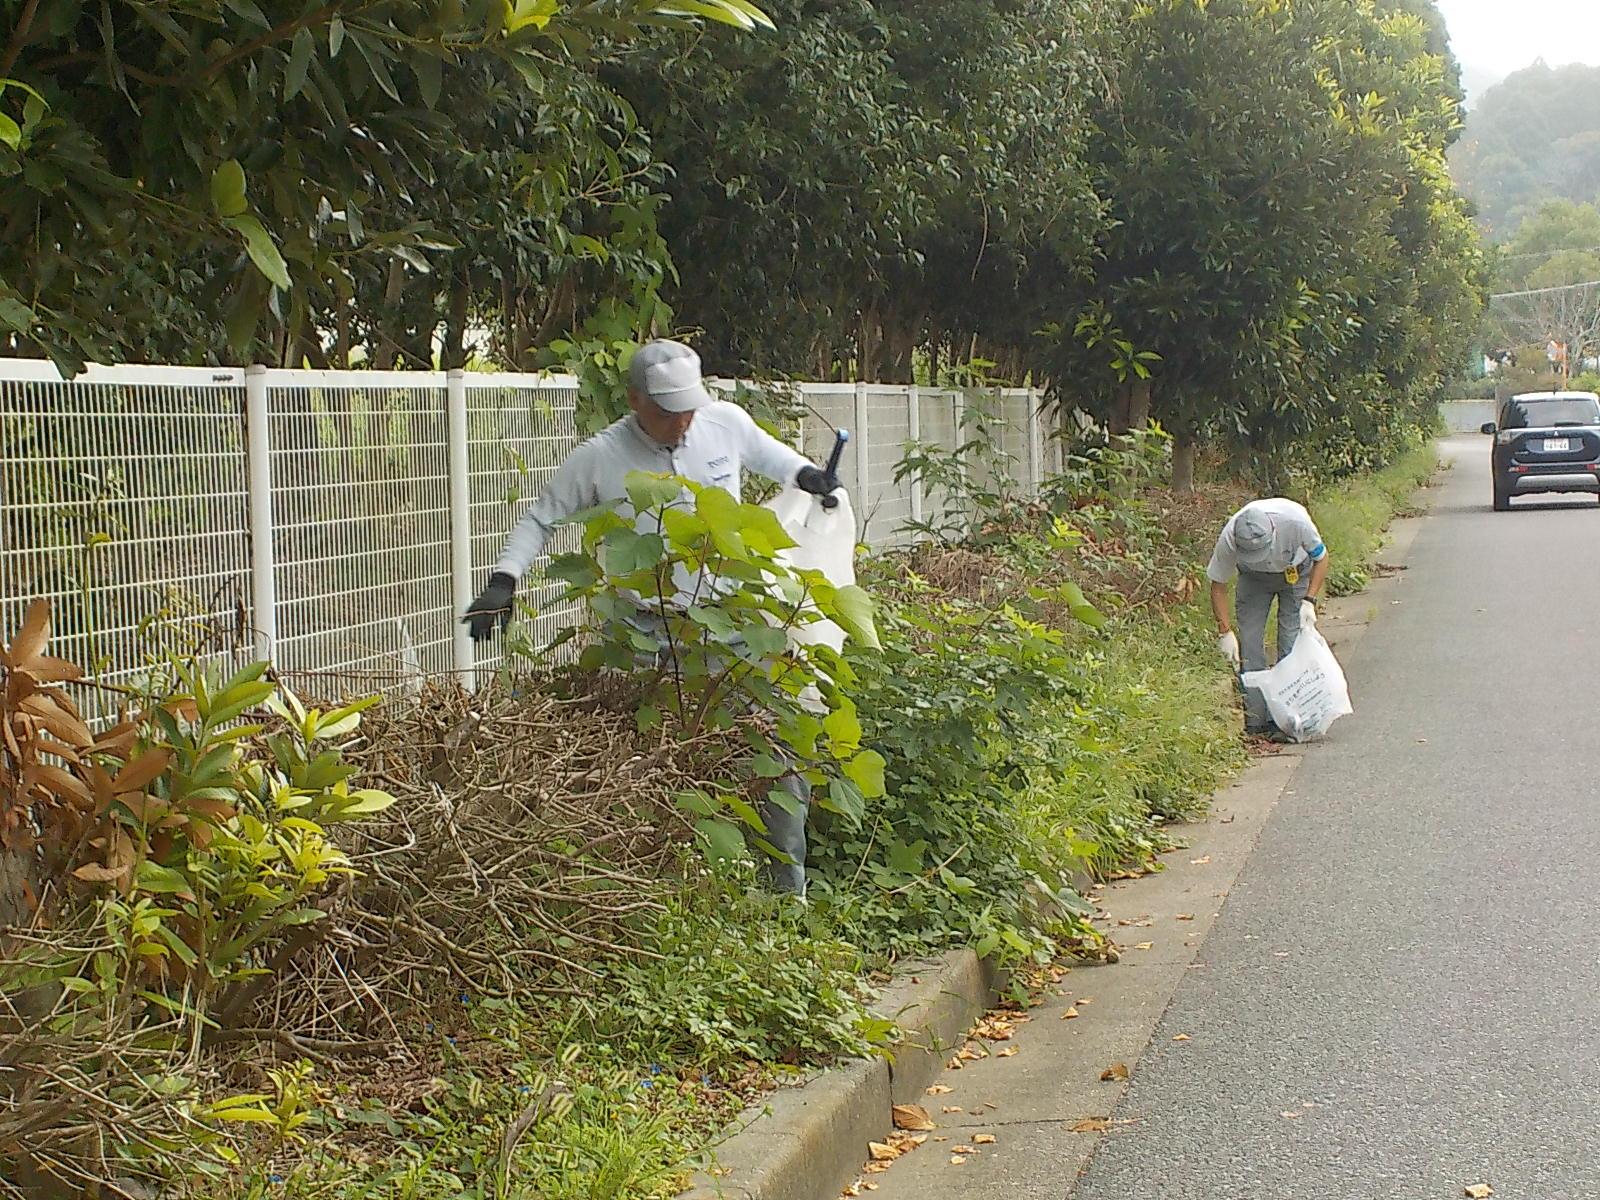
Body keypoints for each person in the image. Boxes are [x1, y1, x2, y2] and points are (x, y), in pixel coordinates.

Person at [463, 338, 841, 896]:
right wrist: (504, 579)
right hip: (641, 634)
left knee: (776, 751)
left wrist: (810, 475)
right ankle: (658, 892)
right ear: (636, 400)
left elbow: (773, 457)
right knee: (647, 761)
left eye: (688, 408)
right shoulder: (601, 456)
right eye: (668, 412)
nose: (681, 422)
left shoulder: (723, 423)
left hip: (731, 623)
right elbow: (542, 517)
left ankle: (787, 895)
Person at [1206, 498, 1330, 739]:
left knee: (1290, 642)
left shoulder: (1296, 522)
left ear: (1273, 531)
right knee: (1249, 644)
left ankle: (1288, 718)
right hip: (1253, 579)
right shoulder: (1230, 537)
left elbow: (1321, 558)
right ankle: (1256, 720)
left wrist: (1309, 600)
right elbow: (1218, 585)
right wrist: (1225, 631)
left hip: (1295, 571)